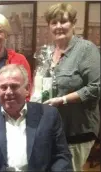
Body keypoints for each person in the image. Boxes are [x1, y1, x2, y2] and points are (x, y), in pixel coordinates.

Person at [0, 64, 73, 171]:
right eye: (3, 87)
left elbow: (62, 156)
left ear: (27, 89)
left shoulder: (48, 115)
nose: (8, 92)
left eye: (14, 86)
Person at [41, 3, 100, 171]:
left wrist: (63, 100)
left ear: (73, 23)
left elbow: (96, 87)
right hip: (54, 128)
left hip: (78, 130)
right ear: (49, 26)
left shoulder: (86, 49)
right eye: (54, 22)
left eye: (64, 21)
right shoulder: (48, 53)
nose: (59, 26)